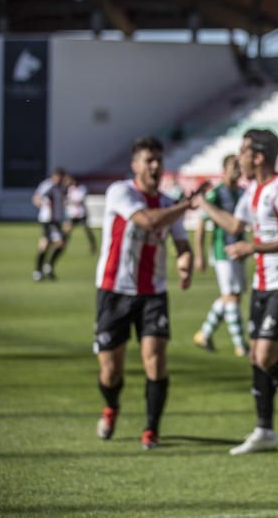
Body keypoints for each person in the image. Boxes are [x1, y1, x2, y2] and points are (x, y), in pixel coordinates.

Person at [196, 128, 278, 455]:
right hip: (262, 286)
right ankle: (264, 430)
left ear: (258, 156)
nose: (239, 158)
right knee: (256, 358)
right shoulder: (252, 189)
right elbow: (235, 226)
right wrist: (202, 205)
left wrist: (254, 247)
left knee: (266, 355)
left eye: (243, 152)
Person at [93, 137, 202, 450]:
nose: (155, 166)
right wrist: (187, 205)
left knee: (155, 361)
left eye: (158, 160)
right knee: (111, 370)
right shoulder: (121, 191)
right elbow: (147, 220)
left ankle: (151, 430)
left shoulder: (168, 203)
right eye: (148, 160)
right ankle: (111, 407)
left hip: (152, 293)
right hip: (114, 290)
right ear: (135, 165)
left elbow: (181, 244)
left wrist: (185, 263)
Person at [192, 154, 248, 357]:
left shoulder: (242, 192)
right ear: (223, 171)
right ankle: (241, 344)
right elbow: (201, 225)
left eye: (239, 166)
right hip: (222, 251)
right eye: (234, 166)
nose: (238, 170)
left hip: (240, 252)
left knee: (233, 296)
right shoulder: (216, 194)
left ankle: (204, 334)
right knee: (231, 296)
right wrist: (199, 254)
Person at [32, 167, 68, 281]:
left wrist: (65, 219)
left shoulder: (62, 187)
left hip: (56, 220)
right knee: (49, 243)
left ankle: (45, 269)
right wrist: (42, 205)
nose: (60, 179)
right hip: (48, 220)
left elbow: (62, 203)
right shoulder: (48, 185)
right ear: (54, 176)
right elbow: (36, 198)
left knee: (56, 244)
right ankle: (40, 270)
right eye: (59, 177)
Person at [63, 174, 96, 254]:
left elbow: (80, 200)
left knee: (87, 231)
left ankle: (93, 247)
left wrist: (69, 201)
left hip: (81, 214)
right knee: (67, 231)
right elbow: (65, 200)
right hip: (72, 214)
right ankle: (63, 246)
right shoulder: (69, 189)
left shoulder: (82, 188)